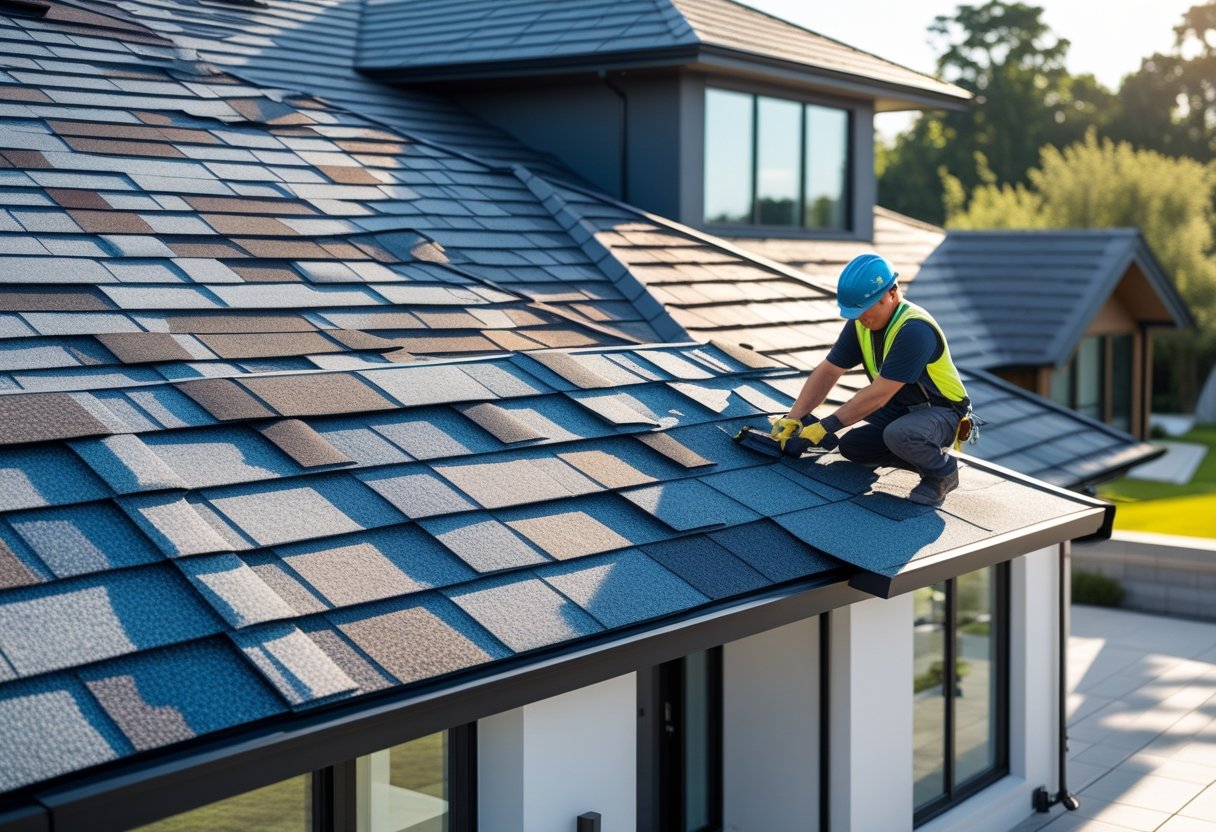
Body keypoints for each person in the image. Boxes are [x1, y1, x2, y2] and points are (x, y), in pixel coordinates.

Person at [771, 252, 971, 505]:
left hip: (943, 414)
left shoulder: (914, 330)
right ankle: (918, 455)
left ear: (892, 293)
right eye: (856, 312)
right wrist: (794, 418)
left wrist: (826, 426)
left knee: (900, 434)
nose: (862, 318)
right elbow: (829, 371)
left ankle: (942, 472)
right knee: (853, 447)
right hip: (902, 410)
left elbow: (879, 395)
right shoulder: (860, 325)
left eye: (866, 309)